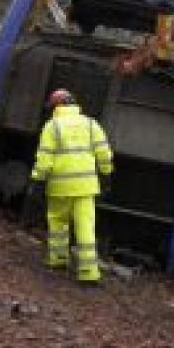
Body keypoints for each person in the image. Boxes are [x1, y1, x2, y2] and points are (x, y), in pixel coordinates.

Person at [29, 89, 114, 283]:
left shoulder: (52, 126)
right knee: (85, 227)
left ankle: (58, 259)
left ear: (57, 106)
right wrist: (107, 174)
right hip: (86, 187)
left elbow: (44, 158)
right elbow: (104, 153)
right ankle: (88, 272)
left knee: (58, 222)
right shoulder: (92, 125)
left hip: (59, 187)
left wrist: (37, 180)